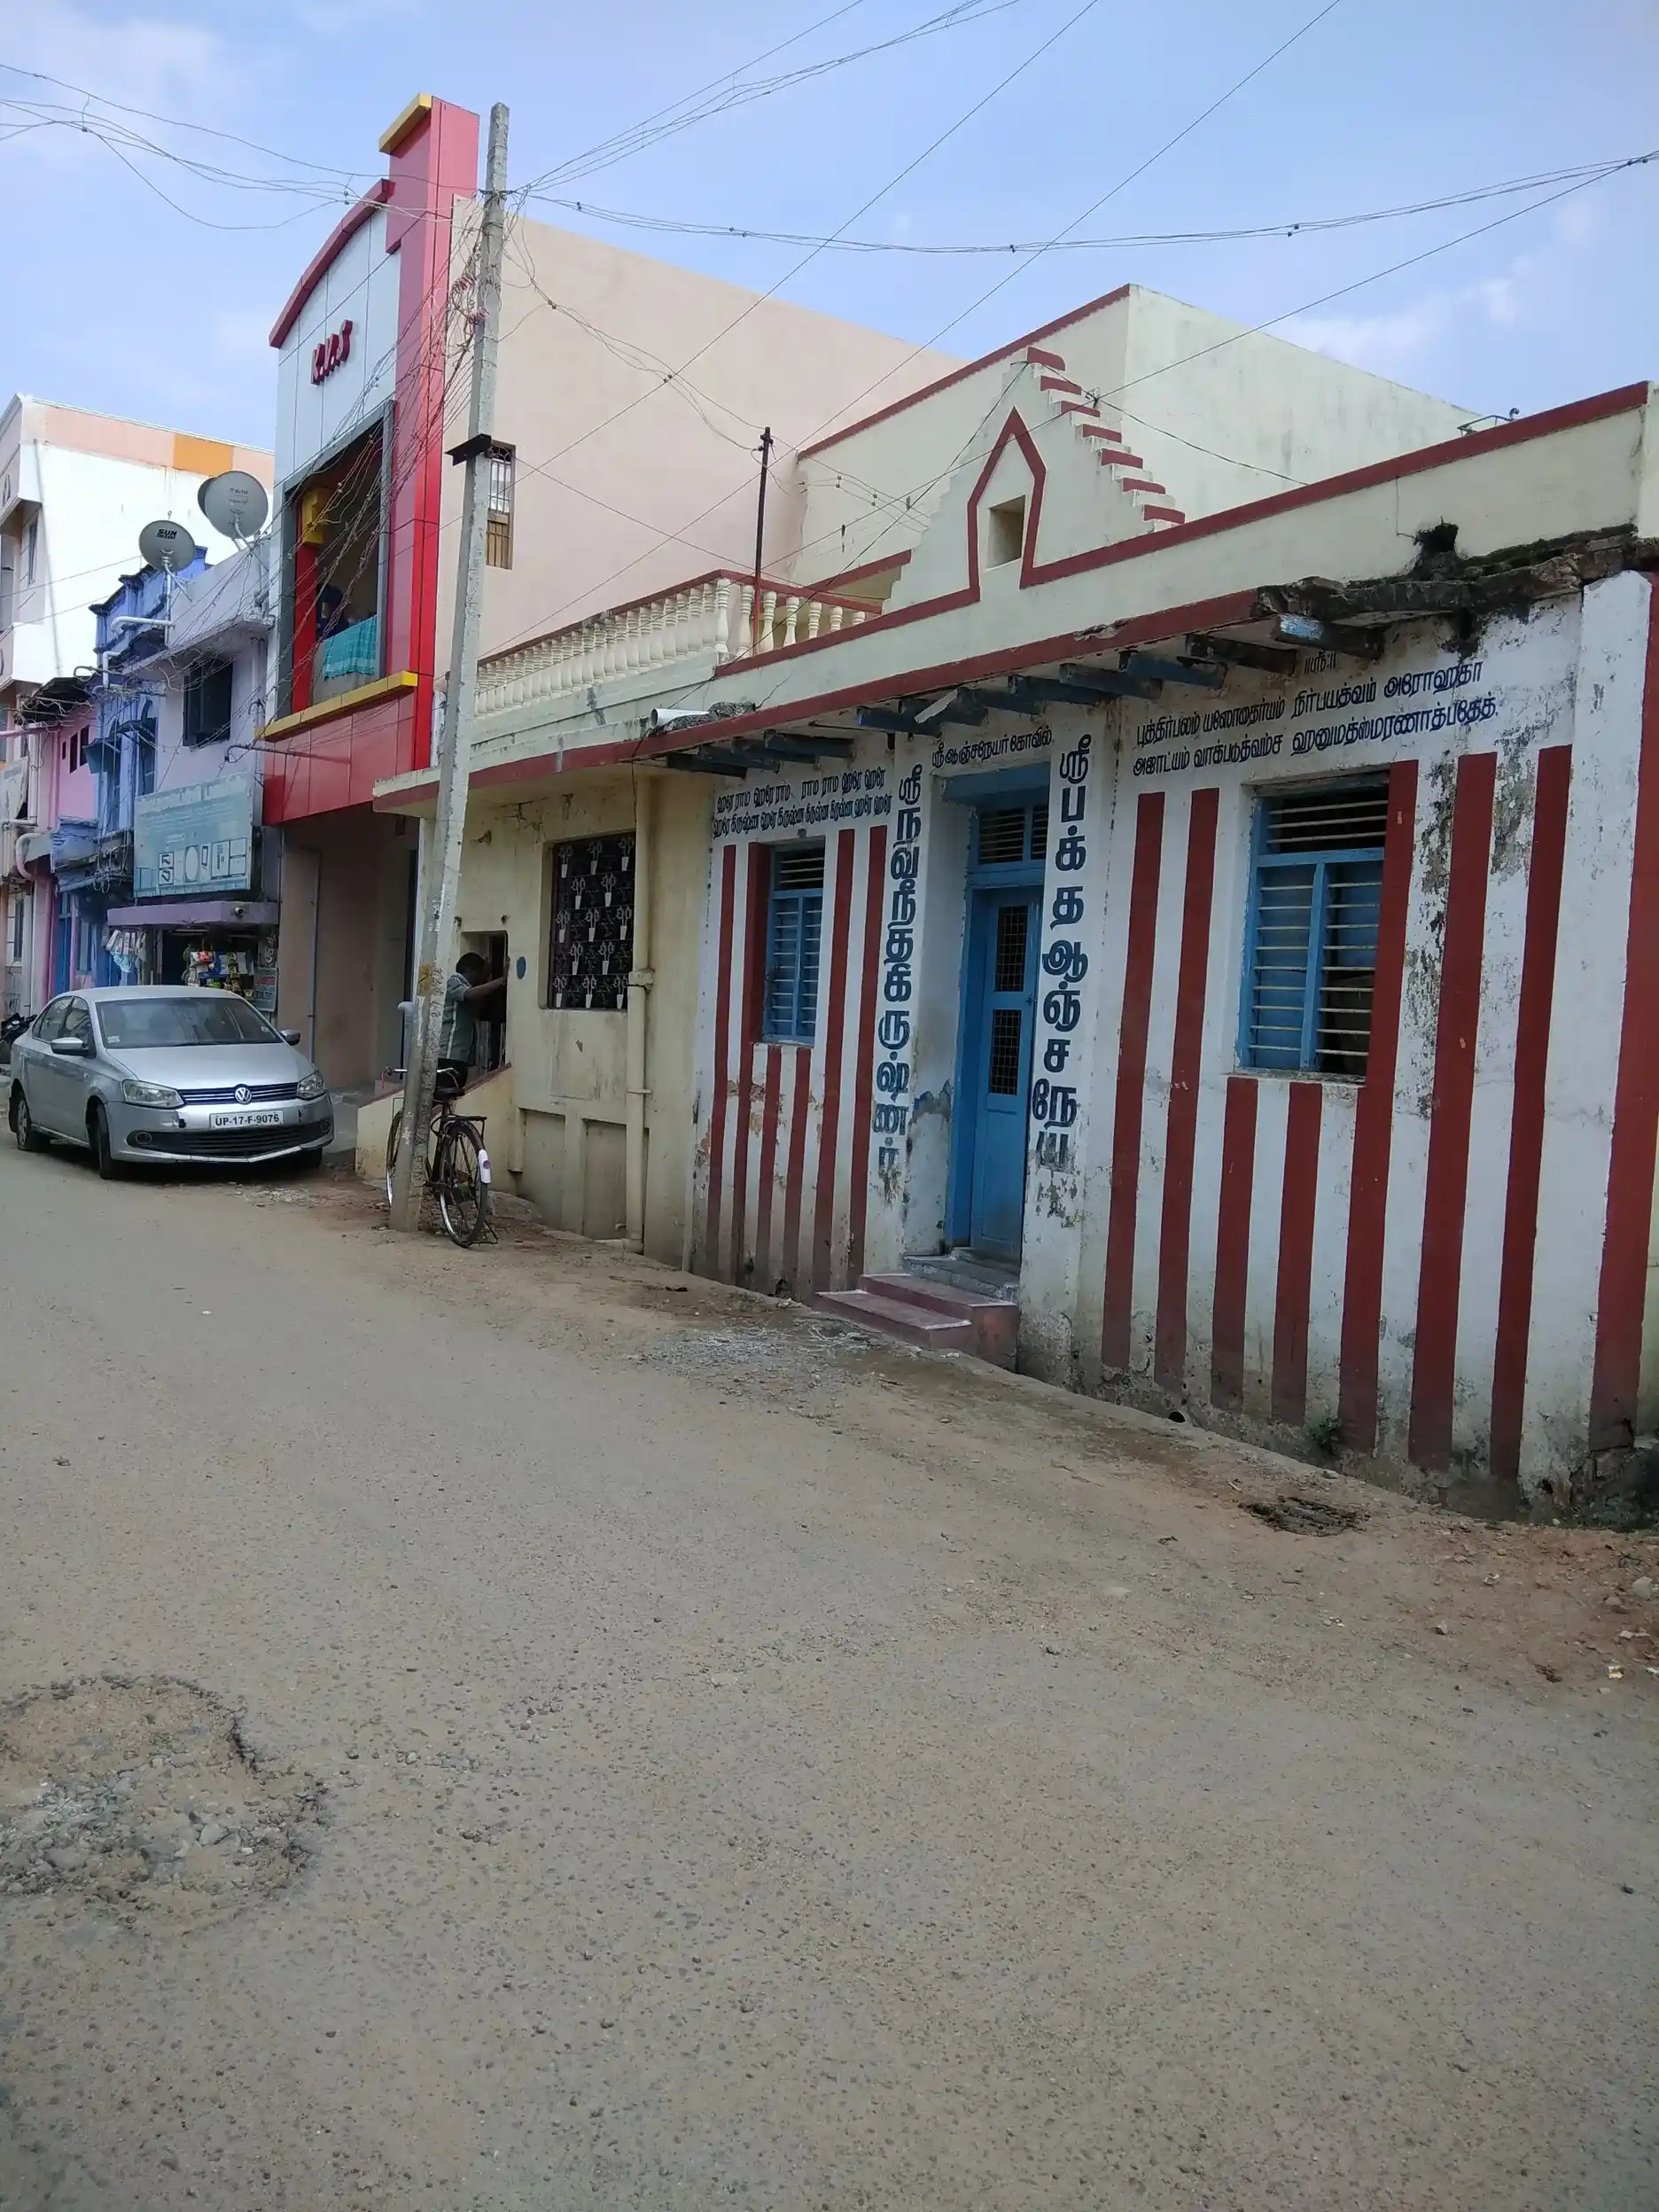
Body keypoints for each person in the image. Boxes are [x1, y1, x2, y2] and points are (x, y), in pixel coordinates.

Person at [438, 953, 505, 1091]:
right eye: (481, 974)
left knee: (453, 1094)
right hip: (449, 1055)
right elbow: (469, 994)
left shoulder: (469, 988)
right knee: (445, 1094)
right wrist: (501, 980)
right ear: (470, 970)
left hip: (460, 1056)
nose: (481, 979)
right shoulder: (455, 981)